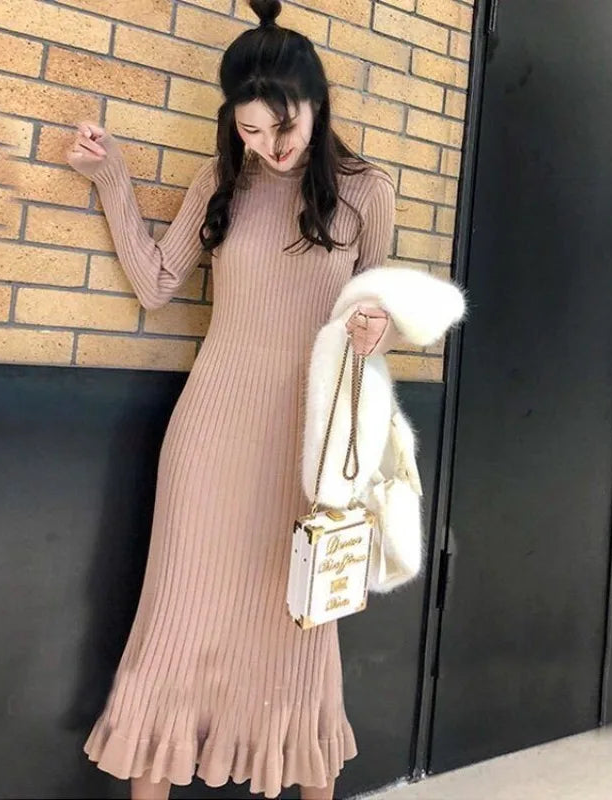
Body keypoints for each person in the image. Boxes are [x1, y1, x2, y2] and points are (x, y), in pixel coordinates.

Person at [67, 1, 404, 797]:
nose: (268, 148)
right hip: (211, 436)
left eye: (281, 128)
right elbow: (156, 283)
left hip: (306, 447)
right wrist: (111, 177)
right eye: (249, 131)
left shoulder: (367, 191)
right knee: (179, 625)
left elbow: (379, 315)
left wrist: (376, 330)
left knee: (298, 634)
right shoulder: (221, 181)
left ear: (317, 105)